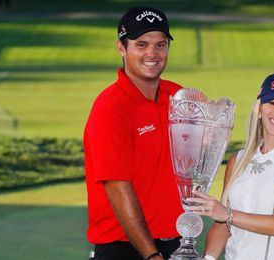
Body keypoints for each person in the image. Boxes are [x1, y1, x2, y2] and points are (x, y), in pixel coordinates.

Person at [83, 6, 184, 260]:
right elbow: (118, 188)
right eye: (141, 44)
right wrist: (151, 255)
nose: (152, 53)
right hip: (125, 248)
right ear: (121, 47)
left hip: (174, 241)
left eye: (160, 45)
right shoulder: (110, 107)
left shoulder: (179, 96)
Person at [188, 73, 274, 260]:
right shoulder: (238, 160)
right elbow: (222, 225)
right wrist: (207, 259)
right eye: (272, 102)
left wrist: (227, 214)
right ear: (260, 109)